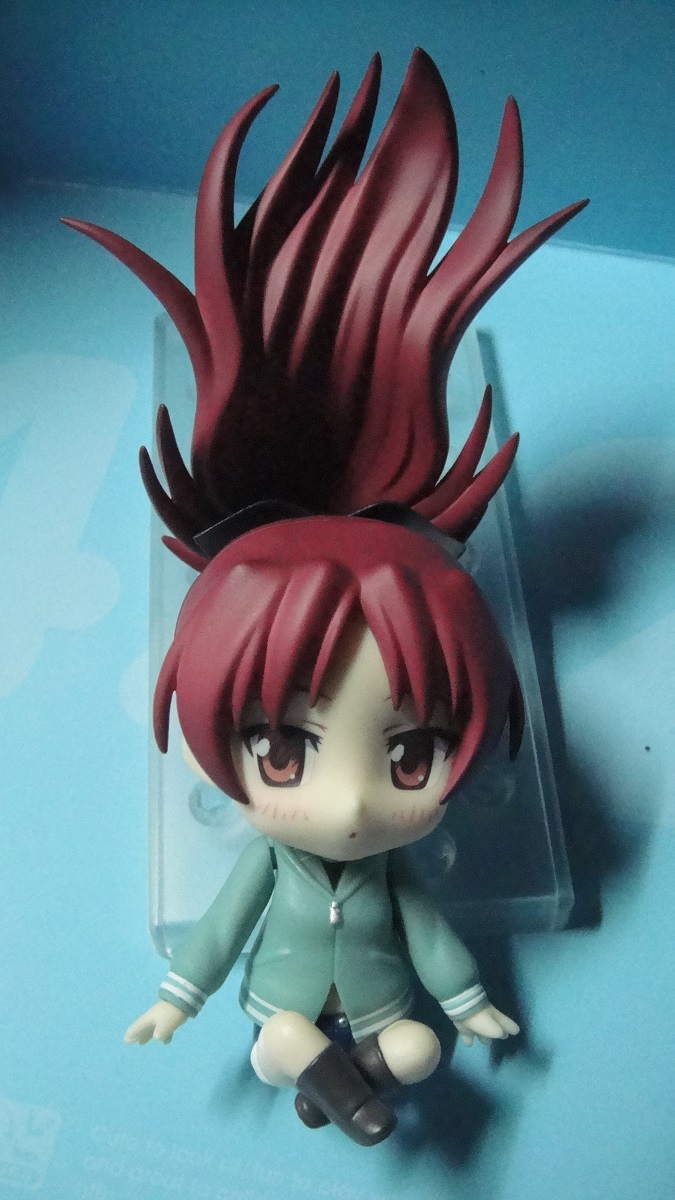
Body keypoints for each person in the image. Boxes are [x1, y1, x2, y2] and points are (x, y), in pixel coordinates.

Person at [63, 49, 586, 1146]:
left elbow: (432, 937)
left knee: (416, 1050)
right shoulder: (277, 858)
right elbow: (219, 929)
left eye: (410, 756)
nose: (351, 806)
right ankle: (335, 1086)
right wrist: (176, 1000)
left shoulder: (390, 864)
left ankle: (345, 1084)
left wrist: (466, 1002)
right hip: (284, 1004)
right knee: (284, 1039)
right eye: (283, 750)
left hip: (382, 1005)